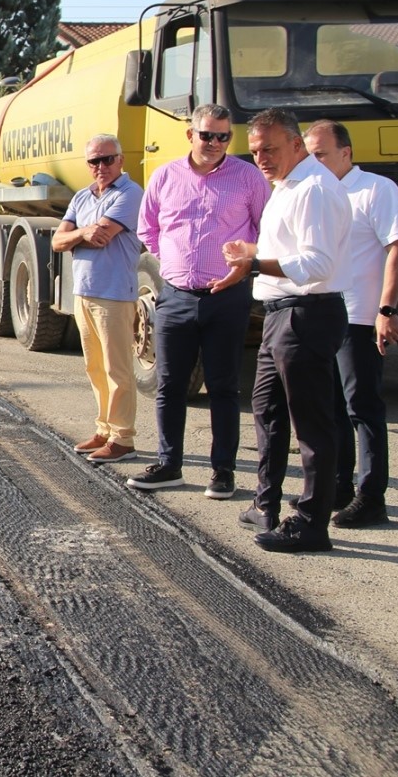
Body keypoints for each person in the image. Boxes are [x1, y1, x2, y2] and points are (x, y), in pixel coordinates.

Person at [217, 108, 351, 553]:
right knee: (267, 411)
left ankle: (313, 523)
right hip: (281, 312)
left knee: (311, 423)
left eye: (270, 149)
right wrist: (252, 254)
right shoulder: (287, 187)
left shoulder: (313, 189)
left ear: (297, 143)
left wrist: (253, 263)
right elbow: (287, 252)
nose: (261, 159)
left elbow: (317, 265)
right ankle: (266, 502)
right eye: (254, 151)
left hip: (307, 314)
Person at [127, 105, 270, 500]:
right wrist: (175, 264)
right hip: (175, 296)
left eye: (223, 137)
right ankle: (169, 464)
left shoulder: (248, 178)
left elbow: (266, 229)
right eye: (207, 135)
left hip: (227, 297)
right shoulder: (166, 176)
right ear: (190, 135)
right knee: (170, 385)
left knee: (223, 387)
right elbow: (149, 228)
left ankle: (223, 471)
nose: (214, 143)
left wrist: (242, 265)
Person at [303, 119, 398, 529]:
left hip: (361, 317)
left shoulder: (375, 190)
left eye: (321, 154)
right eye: (309, 154)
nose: (313, 162)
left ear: (346, 153)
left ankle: (371, 496)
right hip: (323, 315)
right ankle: (339, 486)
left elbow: (397, 248)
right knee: (330, 409)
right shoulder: (316, 193)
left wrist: (387, 310)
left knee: (362, 408)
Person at [52, 135, 144, 464]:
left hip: (115, 293)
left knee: (117, 368)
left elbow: (102, 236)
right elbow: (58, 242)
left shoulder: (131, 194)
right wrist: (81, 234)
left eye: (107, 159)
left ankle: (123, 438)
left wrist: (78, 235)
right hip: (85, 291)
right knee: (94, 367)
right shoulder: (82, 196)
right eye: (94, 161)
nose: (101, 167)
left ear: (121, 160)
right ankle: (104, 429)